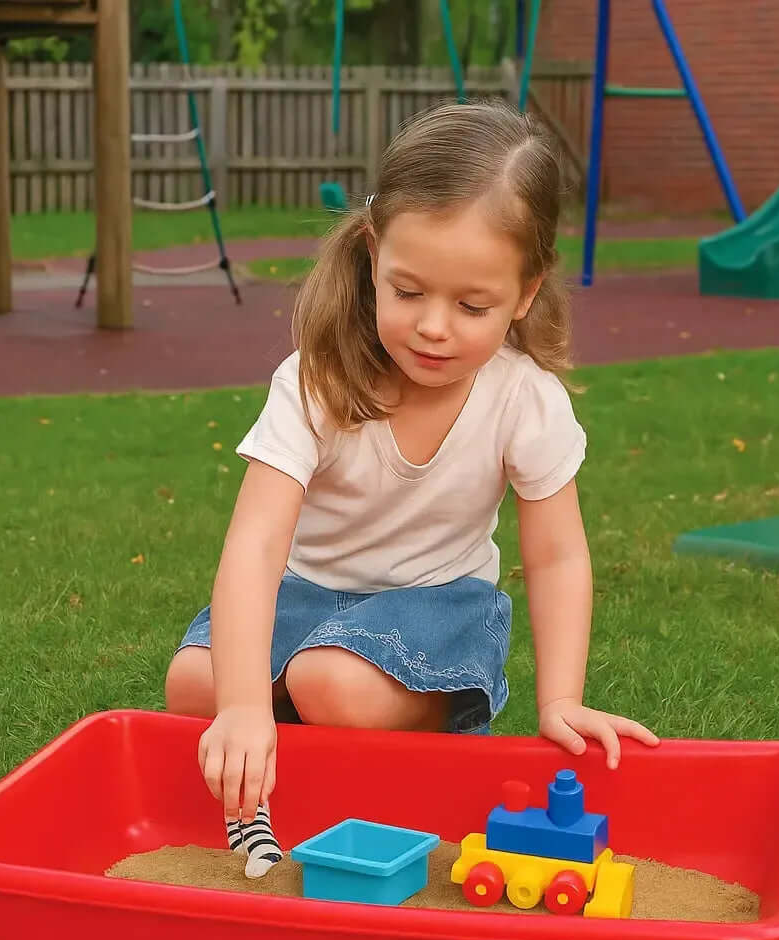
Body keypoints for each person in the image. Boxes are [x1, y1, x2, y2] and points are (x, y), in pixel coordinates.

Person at [165, 100, 659, 878]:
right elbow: (257, 545)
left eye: (472, 306)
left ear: (526, 292)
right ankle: (287, 737)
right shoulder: (314, 381)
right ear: (372, 254)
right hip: (308, 593)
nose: (434, 328)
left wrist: (560, 700)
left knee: (330, 681)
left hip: (437, 606)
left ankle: (427, 725)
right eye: (408, 292)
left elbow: (559, 556)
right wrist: (239, 706)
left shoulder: (524, 400)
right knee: (195, 683)